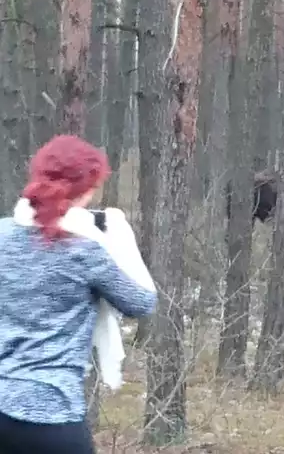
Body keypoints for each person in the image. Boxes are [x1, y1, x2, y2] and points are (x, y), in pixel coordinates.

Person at [0, 135, 158, 454]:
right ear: (85, 190)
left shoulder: (2, 234)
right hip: (53, 418)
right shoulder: (85, 252)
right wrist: (119, 240)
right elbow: (142, 303)